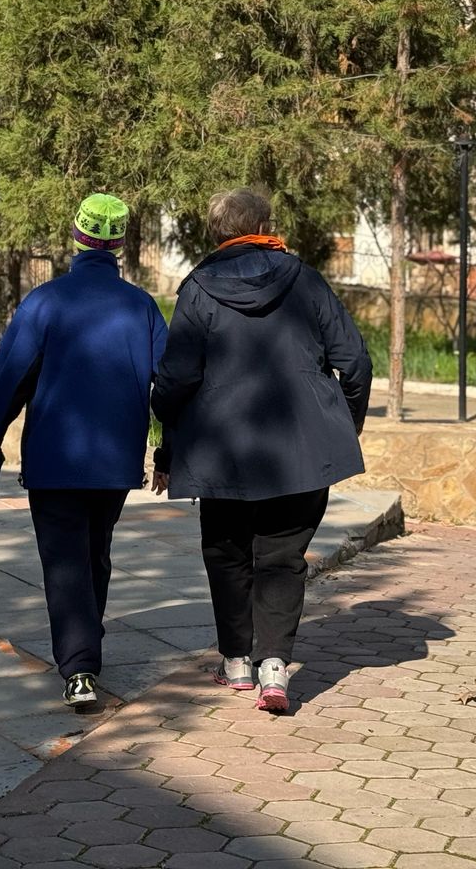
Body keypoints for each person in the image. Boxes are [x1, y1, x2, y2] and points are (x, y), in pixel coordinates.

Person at [151, 188, 371, 713]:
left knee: (226, 553)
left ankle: (236, 663)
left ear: (216, 232)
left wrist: (167, 440)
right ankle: (275, 667)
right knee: (282, 557)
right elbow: (355, 363)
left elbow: (176, 379)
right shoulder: (306, 280)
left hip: (221, 453)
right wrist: (342, 426)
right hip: (301, 452)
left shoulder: (198, 289)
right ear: (266, 226)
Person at [0, 193, 167, 708]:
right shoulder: (142, 306)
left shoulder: (45, 301)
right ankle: (86, 644)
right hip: (115, 460)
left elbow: (10, 379)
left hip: (54, 457)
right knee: (95, 550)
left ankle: (79, 667)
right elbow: (169, 382)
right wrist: (166, 445)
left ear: (76, 236)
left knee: (64, 560)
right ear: (119, 243)